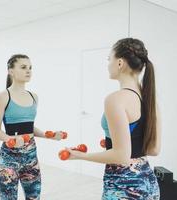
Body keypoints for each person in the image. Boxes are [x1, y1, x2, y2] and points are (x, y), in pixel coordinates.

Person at [66, 38, 161, 199]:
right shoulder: (150, 99)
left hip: (124, 188)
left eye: (109, 59)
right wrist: (112, 142)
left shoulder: (115, 99)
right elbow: (153, 149)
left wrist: (80, 156)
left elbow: (121, 156)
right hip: (148, 184)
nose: (107, 64)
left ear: (120, 63)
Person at [0, 54, 65, 200]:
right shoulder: (2, 97)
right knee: (8, 198)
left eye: (30, 67)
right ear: (11, 71)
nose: (28, 71)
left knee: (34, 197)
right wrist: (10, 139)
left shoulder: (33, 97)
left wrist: (48, 135)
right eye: (23, 67)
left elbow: (28, 128)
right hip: (9, 158)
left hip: (31, 156)